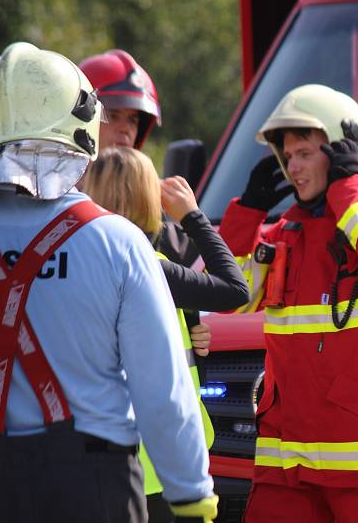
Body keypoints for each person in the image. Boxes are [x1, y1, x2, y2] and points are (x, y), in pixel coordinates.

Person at [0, 42, 217, 523]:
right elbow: (163, 390)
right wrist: (191, 493)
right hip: (97, 486)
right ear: (82, 128)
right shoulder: (118, 242)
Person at [218, 83, 358, 522]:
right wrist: (248, 213)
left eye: (305, 154)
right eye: (287, 156)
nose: (292, 168)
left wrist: (351, 187)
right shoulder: (285, 231)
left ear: (341, 151)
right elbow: (230, 296)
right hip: (286, 465)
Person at [81, 146, 250, 521]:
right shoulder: (149, 268)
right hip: (162, 463)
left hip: (98, 457)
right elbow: (235, 290)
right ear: (145, 197)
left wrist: (189, 332)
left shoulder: (76, 265)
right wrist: (192, 216)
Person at [78, 48, 199, 268]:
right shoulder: (53, 194)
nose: (126, 129)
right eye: (113, 116)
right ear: (82, 118)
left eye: (133, 120)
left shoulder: (150, 204)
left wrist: (193, 219)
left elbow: (220, 285)